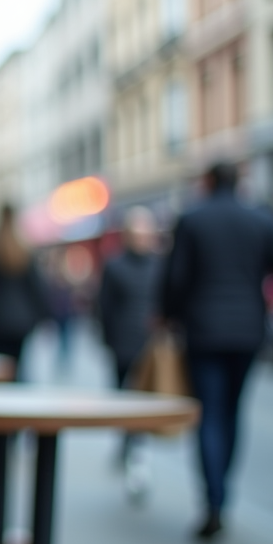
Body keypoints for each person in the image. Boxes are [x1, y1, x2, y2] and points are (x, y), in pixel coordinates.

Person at [162, 162, 273, 540]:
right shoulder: (261, 218)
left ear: (208, 181)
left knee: (210, 414)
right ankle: (223, 494)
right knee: (232, 413)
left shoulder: (193, 219)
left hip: (202, 331)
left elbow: (176, 278)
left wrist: (169, 315)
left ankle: (213, 500)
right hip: (248, 331)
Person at [97, 206, 161, 499]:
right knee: (124, 398)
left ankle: (136, 454)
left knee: (143, 402)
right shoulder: (115, 265)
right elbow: (104, 308)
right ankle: (129, 444)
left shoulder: (160, 265)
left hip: (150, 347)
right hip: (122, 344)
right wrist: (108, 339)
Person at [0, 204, 49, 369]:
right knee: (17, 365)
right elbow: (35, 287)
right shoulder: (24, 247)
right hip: (22, 319)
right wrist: (43, 315)